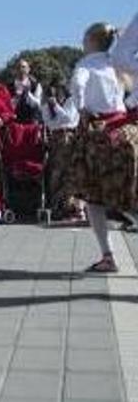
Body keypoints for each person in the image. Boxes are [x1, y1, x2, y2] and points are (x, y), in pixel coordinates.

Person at [54, 23, 138, 273]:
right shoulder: (117, 65)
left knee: (93, 197)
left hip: (99, 134)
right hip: (126, 131)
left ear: (91, 40)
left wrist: (81, 106)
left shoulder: (86, 64)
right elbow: (131, 97)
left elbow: (78, 85)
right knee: (127, 194)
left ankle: (108, 255)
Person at [40, 83, 83, 221]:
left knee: (70, 173)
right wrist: (52, 106)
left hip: (69, 138)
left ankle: (70, 207)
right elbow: (49, 122)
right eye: (52, 93)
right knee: (56, 173)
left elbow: (68, 119)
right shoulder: (48, 106)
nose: (56, 95)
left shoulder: (71, 101)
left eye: (57, 92)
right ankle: (56, 206)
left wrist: (56, 107)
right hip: (56, 139)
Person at [11, 58, 43, 123]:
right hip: (15, 122)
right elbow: (7, 105)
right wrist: (16, 99)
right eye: (18, 67)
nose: (21, 69)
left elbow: (37, 104)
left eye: (23, 67)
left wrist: (27, 93)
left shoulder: (36, 85)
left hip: (31, 121)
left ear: (28, 69)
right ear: (15, 70)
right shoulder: (10, 86)